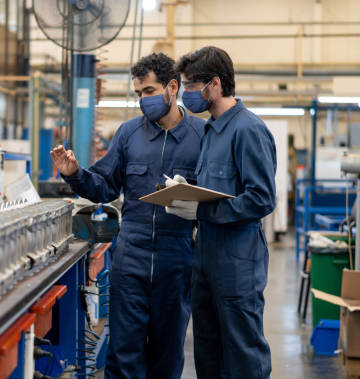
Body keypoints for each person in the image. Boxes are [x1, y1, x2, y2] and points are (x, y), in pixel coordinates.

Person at [50, 52, 204, 379]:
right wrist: (75, 174)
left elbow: (214, 197)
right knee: (123, 354)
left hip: (176, 258)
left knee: (167, 353)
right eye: (138, 94)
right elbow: (104, 187)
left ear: (172, 87)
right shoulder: (129, 133)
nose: (142, 100)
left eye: (148, 91)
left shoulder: (201, 137)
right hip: (131, 255)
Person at [167, 46, 276, 379]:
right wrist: (186, 188)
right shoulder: (211, 130)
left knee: (242, 351)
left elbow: (261, 198)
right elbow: (215, 186)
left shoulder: (248, 130)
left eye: (189, 85)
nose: (185, 94)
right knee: (208, 349)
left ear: (214, 84)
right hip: (207, 257)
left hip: (238, 259)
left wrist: (203, 210)